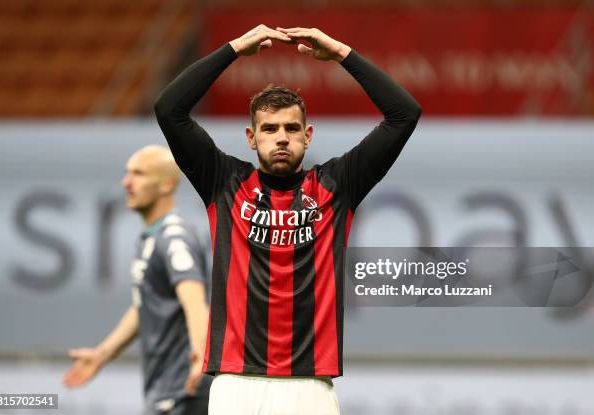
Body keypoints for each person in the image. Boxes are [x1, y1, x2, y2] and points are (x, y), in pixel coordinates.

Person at [154, 25, 421, 415]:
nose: (281, 138)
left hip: (309, 385)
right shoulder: (223, 182)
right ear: (251, 137)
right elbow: (169, 110)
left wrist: (342, 53)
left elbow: (404, 115)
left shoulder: (337, 186)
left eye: (292, 129)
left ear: (307, 136)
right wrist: (232, 50)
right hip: (235, 383)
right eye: (270, 129)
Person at [62, 145, 212, 415]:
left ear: (166, 184)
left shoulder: (174, 237)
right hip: (167, 389)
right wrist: (102, 354)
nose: (126, 182)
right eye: (127, 173)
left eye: (139, 174)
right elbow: (145, 303)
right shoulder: (153, 237)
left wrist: (200, 355)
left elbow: (195, 301)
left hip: (183, 391)